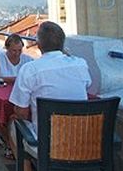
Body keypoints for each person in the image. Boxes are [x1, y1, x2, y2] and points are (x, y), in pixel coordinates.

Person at [9, 21, 91, 158]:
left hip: (48, 144)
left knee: (13, 123)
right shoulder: (80, 64)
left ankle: (27, 165)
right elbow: (87, 85)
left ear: (39, 45)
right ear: (62, 43)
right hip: (82, 140)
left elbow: (22, 113)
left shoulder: (30, 69)